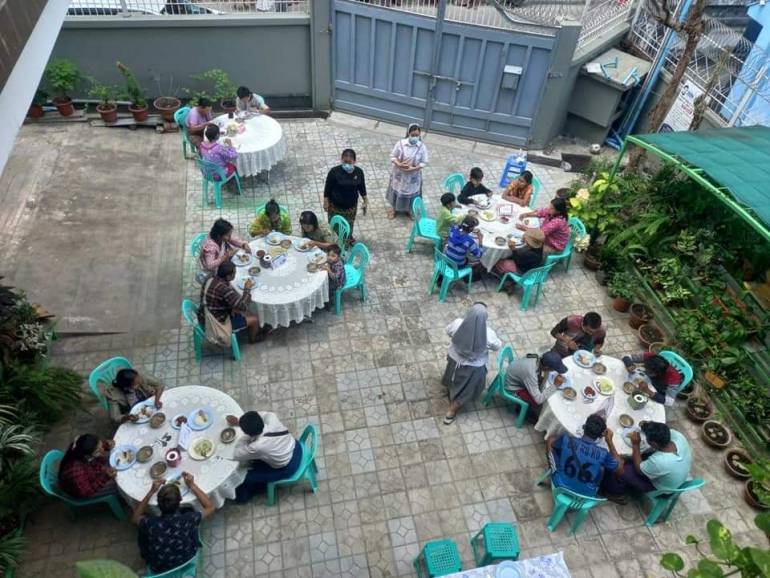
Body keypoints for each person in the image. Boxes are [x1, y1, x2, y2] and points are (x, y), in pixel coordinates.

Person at [132, 474, 215, 574]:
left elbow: (135, 518)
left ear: (157, 504)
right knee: (190, 513)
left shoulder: (151, 524)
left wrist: (151, 492)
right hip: (186, 559)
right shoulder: (188, 519)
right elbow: (210, 507)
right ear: (180, 500)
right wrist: (192, 486)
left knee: (142, 533)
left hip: (159, 568)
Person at [601, 421, 692, 502]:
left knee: (619, 468)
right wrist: (647, 426)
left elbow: (639, 469)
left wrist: (635, 444)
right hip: (674, 477)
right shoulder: (677, 436)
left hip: (661, 489)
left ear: (654, 444)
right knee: (635, 457)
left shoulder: (660, 461)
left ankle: (614, 493)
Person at [441, 303, 502, 424]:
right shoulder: (489, 334)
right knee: (467, 388)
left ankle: (450, 390)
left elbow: (448, 331)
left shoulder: (458, 323)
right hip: (473, 367)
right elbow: (497, 346)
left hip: (454, 359)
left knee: (452, 376)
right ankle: (451, 412)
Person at [227, 411, 303, 502]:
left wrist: (243, 437)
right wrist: (241, 422)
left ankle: (243, 497)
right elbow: (260, 415)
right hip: (295, 446)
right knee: (255, 461)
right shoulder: (272, 418)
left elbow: (236, 454)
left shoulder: (257, 446)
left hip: (287, 467)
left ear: (249, 434)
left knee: (244, 477)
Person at [546, 415, 620, 497]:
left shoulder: (567, 439)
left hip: (560, 484)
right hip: (586, 494)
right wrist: (609, 441)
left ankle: (553, 470)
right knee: (601, 468)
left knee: (551, 440)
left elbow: (554, 445)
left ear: (584, 427)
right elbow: (618, 466)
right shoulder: (603, 453)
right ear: (601, 436)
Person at [200, 261, 261, 343]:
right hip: (218, 321)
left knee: (241, 308)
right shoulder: (224, 290)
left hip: (206, 312)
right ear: (228, 276)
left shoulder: (210, 278)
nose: (235, 275)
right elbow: (243, 307)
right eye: (234, 273)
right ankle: (253, 339)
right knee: (254, 319)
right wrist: (247, 289)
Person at [504, 351, 569, 421]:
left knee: (540, 387)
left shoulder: (538, 357)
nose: (554, 371)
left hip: (515, 373)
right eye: (553, 369)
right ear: (546, 367)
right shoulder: (531, 374)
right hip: (512, 386)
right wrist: (555, 385)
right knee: (536, 403)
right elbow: (539, 400)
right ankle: (520, 410)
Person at [324, 149, 368, 244]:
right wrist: (325, 201)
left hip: (351, 207)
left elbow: (362, 187)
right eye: (345, 161)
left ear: (354, 161)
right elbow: (328, 187)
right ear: (341, 160)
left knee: (349, 224)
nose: (347, 163)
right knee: (335, 225)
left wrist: (365, 201)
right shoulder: (334, 172)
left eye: (350, 161)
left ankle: (347, 239)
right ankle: (335, 243)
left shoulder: (359, 172)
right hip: (335, 207)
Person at [385, 123, 429, 219]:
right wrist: (399, 164)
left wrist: (414, 168)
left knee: (412, 194)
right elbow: (392, 156)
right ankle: (394, 209)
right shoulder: (400, 144)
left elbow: (424, 162)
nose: (415, 137)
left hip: (413, 176)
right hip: (400, 175)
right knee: (397, 191)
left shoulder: (422, 147)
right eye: (413, 135)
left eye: (417, 135)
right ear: (408, 133)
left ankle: (409, 210)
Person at [58, 434, 117, 499]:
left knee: (115, 458)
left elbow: (96, 457)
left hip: (91, 472)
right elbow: (87, 491)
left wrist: (106, 446)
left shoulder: (80, 447)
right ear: (87, 456)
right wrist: (106, 477)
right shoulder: (75, 471)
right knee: (117, 483)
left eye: (101, 445)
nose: (102, 450)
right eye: (98, 451)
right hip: (87, 491)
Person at [493, 229, 545, 293]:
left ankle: (508, 281)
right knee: (509, 257)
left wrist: (513, 249)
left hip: (523, 272)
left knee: (500, 262)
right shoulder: (539, 246)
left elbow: (518, 261)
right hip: (531, 267)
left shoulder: (531, 255)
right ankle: (509, 281)